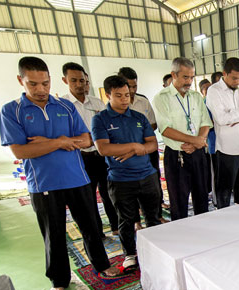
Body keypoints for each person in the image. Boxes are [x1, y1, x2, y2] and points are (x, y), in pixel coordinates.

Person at [0, 56, 120, 290]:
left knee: (91, 228)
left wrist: (53, 143)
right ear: (20, 81)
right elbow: (21, 150)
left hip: (77, 178)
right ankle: (59, 278)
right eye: (33, 84)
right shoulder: (12, 111)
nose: (41, 89)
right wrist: (62, 142)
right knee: (53, 233)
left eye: (45, 83)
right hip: (43, 183)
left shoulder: (64, 107)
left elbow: (86, 140)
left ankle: (102, 265)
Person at [92, 76, 161, 270]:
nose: (124, 99)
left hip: (147, 176)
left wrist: (130, 149)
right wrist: (134, 146)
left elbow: (153, 144)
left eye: (127, 95)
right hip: (121, 179)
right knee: (126, 220)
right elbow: (104, 149)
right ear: (107, 95)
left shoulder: (139, 117)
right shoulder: (100, 119)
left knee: (153, 217)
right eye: (119, 96)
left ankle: (156, 251)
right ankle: (130, 254)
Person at [61, 62, 119, 238]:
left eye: (82, 80)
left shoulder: (96, 103)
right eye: (74, 81)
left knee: (108, 192)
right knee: (87, 196)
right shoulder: (62, 106)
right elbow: (65, 137)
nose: (79, 85)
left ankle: (116, 226)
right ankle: (97, 231)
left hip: (101, 155)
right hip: (79, 157)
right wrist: (83, 140)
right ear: (65, 80)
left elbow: (107, 127)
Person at [152, 57, 211, 219]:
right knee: (178, 202)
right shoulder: (161, 98)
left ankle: (205, 233)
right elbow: (165, 129)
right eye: (186, 77)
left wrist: (198, 142)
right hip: (177, 157)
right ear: (174, 74)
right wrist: (196, 141)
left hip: (198, 154)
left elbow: (206, 123)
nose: (189, 81)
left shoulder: (196, 97)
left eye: (192, 77)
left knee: (202, 198)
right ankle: (180, 238)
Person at [205, 57, 239, 208]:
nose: (237, 82)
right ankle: (224, 220)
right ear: (224, 74)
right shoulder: (214, 91)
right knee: (225, 191)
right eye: (234, 78)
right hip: (228, 149)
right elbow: (221, 118)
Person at [118, 66, 164, 226]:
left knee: (153, 185)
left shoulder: (143, 101)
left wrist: (141, 133)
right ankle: (136, 221)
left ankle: (156, 216)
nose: (131, 90)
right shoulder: (116, 104)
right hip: (128, 154)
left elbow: (153, 124)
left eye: (134, 86)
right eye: (128, 86)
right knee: (132, 187)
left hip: (147, 150)